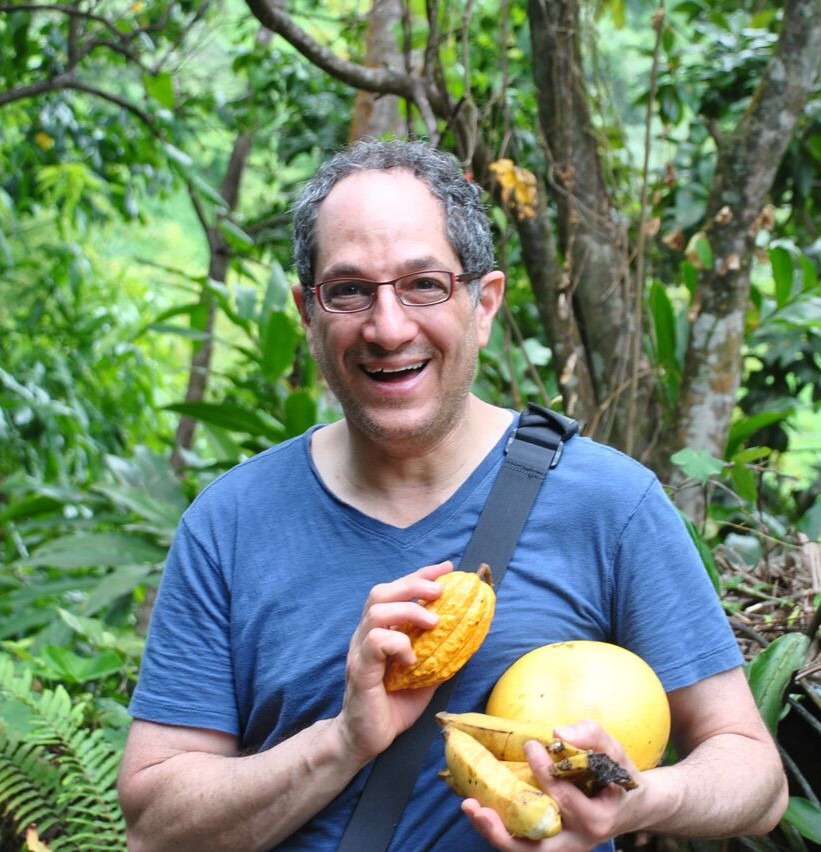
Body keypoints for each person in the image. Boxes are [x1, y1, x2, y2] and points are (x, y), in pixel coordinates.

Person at [117, 138, 788, 852]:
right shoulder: (229, 524)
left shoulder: (609, 505)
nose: (388, 326)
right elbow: (155, 830)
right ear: (307, 313)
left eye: (423, 284)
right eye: (348, 290)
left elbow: (754, 776)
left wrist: (639, 796)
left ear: (483, 302)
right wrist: (342, 739)